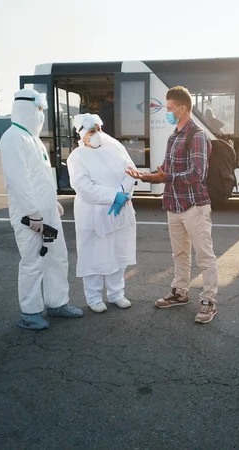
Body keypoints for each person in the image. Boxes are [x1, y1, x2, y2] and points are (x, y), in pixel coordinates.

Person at [125, 86, 219, 324]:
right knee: (180, 253)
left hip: (194, 206)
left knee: (204, 256)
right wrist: (145, 176)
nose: (166, 112)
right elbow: (165, 171)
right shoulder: (173, 136)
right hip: (174, 205)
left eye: (168, 108)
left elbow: (197, 173)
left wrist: (166, 178)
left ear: (182, 108)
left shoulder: (197, 136)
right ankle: (180, 292)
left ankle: (209, 301)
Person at [0, 89, 83, 330]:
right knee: (33, 263)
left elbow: (41, 178)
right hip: (30, 219)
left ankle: (57, 303)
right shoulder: (13, 138)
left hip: (47, 214)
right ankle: (31, 312)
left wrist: (53, 202)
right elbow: (18, 180)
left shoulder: (33, 140)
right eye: (39, 109)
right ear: (25, 109)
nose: (41, 115)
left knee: (57, 258)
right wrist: (32, 213)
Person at [66, 114, 137, 313]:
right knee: (94, 254)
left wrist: (124, 193)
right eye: (91, 131)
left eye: (98, 129)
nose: (97, 134)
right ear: (81, 135)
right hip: (93, 213)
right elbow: (83, 187)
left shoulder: (115, 148)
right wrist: (112, 195)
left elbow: (131, 172)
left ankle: (117, 294)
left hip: (119, 211)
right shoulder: (77, 157)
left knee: (117, 253)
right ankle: (94, 297)